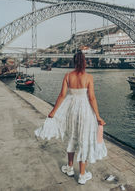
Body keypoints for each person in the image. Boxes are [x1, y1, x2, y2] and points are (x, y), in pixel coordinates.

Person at [35, 51, 107, 185]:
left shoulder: (68, 76)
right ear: (85, 62)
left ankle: (69, 168)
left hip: (71, 110)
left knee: (72, 137)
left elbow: (62, 95)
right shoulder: (89, 77)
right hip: (85, 111)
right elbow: (91, 98)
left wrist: (53, 112)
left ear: (74, 62)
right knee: (83, 139)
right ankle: (82, 175)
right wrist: (97, 116)